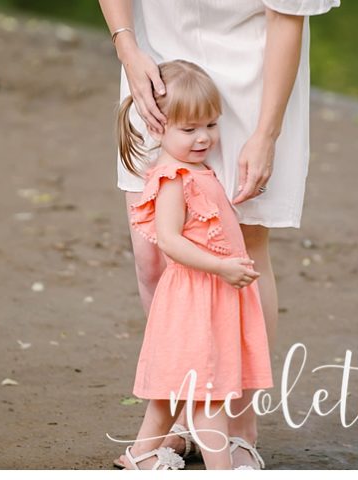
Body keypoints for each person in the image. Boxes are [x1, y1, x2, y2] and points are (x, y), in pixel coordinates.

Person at [85, 0, 340, 470]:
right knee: (154, 257)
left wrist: (266, 131)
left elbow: (289, 12)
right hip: (156, 69)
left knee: (239, 254)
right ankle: (174, 418)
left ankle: (236, 427)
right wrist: (127, 46)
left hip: (252, 75)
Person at [116, 58, 270, 471]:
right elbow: (169, 241)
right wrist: (221, 267)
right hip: (192, 295)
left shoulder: (198, 170)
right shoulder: (171, 178)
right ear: (157, 126)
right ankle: (222, 470)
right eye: (189, 129)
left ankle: (139, 455)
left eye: (211, 125)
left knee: (172, 391)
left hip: (212, 296)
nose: (204, 138)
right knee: (209, 393)